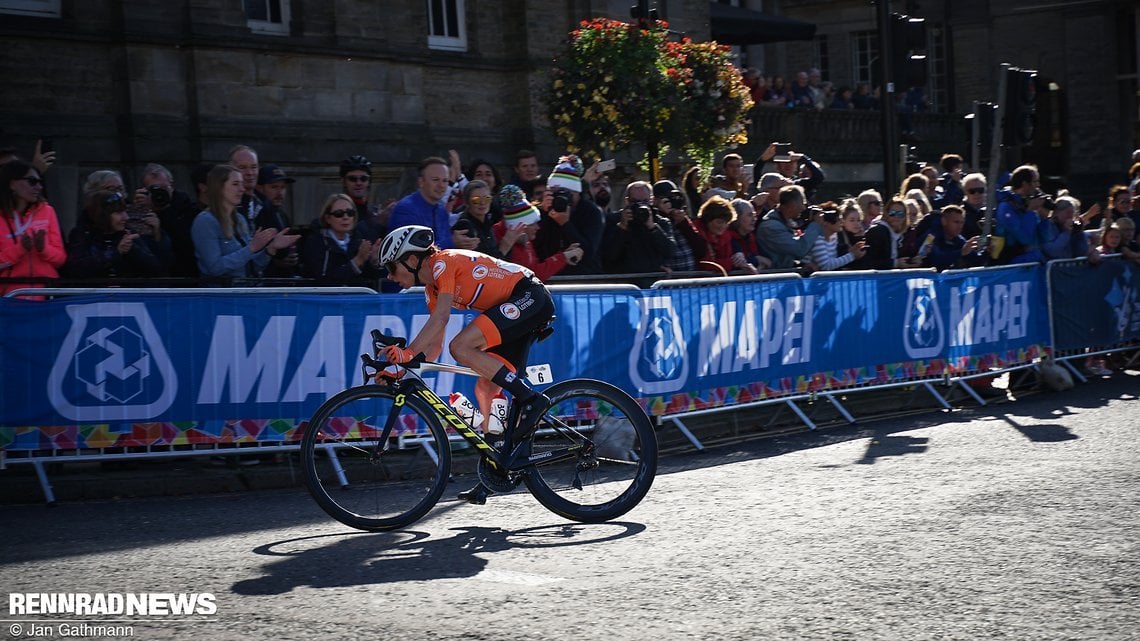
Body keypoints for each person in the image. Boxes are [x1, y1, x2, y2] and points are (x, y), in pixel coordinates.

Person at [377, 224, 556, 505]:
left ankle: (530, 398)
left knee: (461, 346)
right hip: (512, 306)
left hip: (528, 295)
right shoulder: (430, 289)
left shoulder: (441, 263)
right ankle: (495, 469)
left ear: (411, 260)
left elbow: (441, 320)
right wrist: (398, 369)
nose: (390, 276)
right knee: (485, 389)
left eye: (391, 267)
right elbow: (433, 348)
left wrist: (407, 352)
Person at [191, 164, 298, 281]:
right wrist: (251, 248)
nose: (242, 189)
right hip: (223, 295)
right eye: (235, 184)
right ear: (219, 187)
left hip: (247, 291)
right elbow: (214, 268)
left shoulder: (240, 219)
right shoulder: (205, 222)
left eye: (242, 184)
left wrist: (270, 249)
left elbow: (252, 267)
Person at [63, 190, 170, 279]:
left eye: (125, 212)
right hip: (91, 299)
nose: (126, 217)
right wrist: (115, 253)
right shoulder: (82, 234)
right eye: (119, 213)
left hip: (127, 299)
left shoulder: (128, 234)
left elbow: (156, 270)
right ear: (103, 215)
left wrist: (132, 249)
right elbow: (76, 270)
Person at [0, 160, 67, 296]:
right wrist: (19, 249)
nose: (39, 187)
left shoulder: (47, 211)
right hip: (10, 296)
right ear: (12, 184)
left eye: (40, 182)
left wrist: (43, 249)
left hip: (46, 293)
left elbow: (60, 259)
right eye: (32, 181)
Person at [492, 184, 581, 280]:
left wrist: (563, 256)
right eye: (533, 224)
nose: (537, 227)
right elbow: (534, 275)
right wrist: (562, 258)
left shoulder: (524, 239)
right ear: (521, 225)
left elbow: (534, 268)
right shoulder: (503, 238)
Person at [299, 193, 383, 285]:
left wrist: (374, 262)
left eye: (350, 213)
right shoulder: (315, 242)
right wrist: (357, 261)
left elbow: (369, 279)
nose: (345, 217)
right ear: (328, 218)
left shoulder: (358, 240)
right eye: (339, 214)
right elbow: (324, 279)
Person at [545, 155, 604, 275]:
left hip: (585, 279)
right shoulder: (544, 211)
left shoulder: (592, 212)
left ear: (577, 193)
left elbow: (587, 252)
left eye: (566, 193)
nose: (560, 198)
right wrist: (542, 213)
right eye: (556, 193)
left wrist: (565, 224)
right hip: (552, 278)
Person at [601, 181, 675, 274]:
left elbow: (670, 252)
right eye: (635, 202)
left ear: (651, 200)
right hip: (624, 281)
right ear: (627, 201)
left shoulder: (661, 222)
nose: (641, 206)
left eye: (645, 201)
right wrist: (622, 227)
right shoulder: (613, 220)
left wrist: (653, 227)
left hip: (651, 280)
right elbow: (608, 255)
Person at [138, 163, 197, 278]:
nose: (159, 193)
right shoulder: (142, 209)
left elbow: (184, 244)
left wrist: (164, 211)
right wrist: (140, 209)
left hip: (183, 275)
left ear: (172, 186)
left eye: (163, 188)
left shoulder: (188, 209)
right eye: (153, 189)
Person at [387, 156, 456, 254]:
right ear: (421, 182)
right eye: (436, 180)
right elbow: (414, 253)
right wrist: (452, 242)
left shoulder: (442, 211)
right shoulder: (406, 209)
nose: (441, 185)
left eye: (445, 181)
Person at [756, 185, 823, 270]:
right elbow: (800, 249)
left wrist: (799, 265)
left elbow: (784, 255)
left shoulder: (784, 222)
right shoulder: (771, 227)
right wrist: (815, 224)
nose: (803, 208)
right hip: (770, 280)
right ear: (792, 206)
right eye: (802, 204)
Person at [255, 164, 301, 278]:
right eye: (274, 187)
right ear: (260, 188)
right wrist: (275, 262)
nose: (280, 193)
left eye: (282, 187)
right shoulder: (257, 213)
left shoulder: (281, 214)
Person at [992, 165, 1044, 265]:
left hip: (1028, 261)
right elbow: (1025, 238)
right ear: (1025, 184)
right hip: (1011, 263)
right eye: (1035, 181)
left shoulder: (1026, 203)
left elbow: (1042, 237)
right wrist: (1030, 211)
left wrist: (1045, 217)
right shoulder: (1005, 206)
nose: (1038, 185)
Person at [654, 179, 707, 273]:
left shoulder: (682, 219)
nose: (671, 202)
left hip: (690, 278)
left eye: (673, 198)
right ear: (655, 201)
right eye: (667, 198)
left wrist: (684, 223)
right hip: (669, 279)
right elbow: (666, 248)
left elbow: (701, 249)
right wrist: (663, 215)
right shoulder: (653, 220)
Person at [915, 205, 982, 271]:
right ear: (944, 221)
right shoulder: (930, 236)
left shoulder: (957, 238)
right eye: (956, 222)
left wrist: (988, 252)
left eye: (962, 222)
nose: (960, 226)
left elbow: (975, 258)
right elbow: (936, 259)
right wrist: (961, 252)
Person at [340, 155, 388, 242]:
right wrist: (380, 224)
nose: (358, 183)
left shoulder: (373, 211)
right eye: (352, 179)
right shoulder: (339, 213)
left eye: (363, 179)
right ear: (343, 182)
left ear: (369, 182)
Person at [864, 197, 919, 269]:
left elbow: (902, 258)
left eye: (900, 214)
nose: (896, 217)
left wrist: (915, 259)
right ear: (886, 214)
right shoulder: (877, 231)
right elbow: (869, 262)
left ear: (905, 217)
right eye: (892, 213)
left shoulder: (900, 234)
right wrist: (895, 263)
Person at [450, 180, 502, 258]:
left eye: (487, 198)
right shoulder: (464, 225)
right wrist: (506, 244)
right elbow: (482, 260)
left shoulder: (487, 222)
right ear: (467, 202)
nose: (482, 203)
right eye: (476, 200)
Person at [809, 203, 866, 271]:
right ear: (825, 222)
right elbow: (826, 266)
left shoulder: (834, 237)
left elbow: (834, 260)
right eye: (838, 219)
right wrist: (852, 255)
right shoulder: (817, 239)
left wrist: (851, 251)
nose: (842, 221)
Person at [1041, 195, 1096, 262]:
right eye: (1068, 212)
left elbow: (1081, 251)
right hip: (1053, 268)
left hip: (1069, 268)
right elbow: (1052, 252)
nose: (1070, 216)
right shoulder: (1047, 226)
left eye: (1072, 213)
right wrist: (1066, 232)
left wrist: (1079, 232)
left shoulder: (1072, 227)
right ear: (1057, 213)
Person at [695, 195, 735, 274]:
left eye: (726, 222)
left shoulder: (725, 236)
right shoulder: (696, 232)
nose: (723, 226)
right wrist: (731, 263)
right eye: (719, 222)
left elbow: (729, 259)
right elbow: (706, 265)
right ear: (708, 219)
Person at [728, 198, 771, 273]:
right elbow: (739, 263)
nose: (754, 219)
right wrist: (758, 259)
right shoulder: (728, 239)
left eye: (754, 215)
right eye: (749, 215)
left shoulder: (751, 237)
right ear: (736, 217)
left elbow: (769, 261)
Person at [228, 144, 261, 228]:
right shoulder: (226, 206)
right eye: (242, 167)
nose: (250, 173)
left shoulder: (264, 205)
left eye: (253, 167)